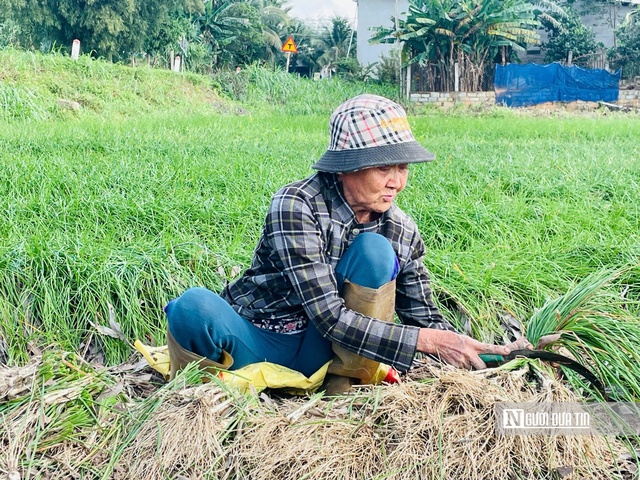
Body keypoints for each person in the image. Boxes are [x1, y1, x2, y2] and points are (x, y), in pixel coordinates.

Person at [165, 94, 527, 382]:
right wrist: (431, 342)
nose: (396, 182)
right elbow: (329, 316)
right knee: (192, 308)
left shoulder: (399, 228)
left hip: (329, 351)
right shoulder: (296, 205)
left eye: (402, 168)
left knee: (375, 251)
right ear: (347, 167)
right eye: (384, 167)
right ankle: (205, 397)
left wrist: (495, 354)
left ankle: (345, 384)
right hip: (260, 338)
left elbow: (424, 320)